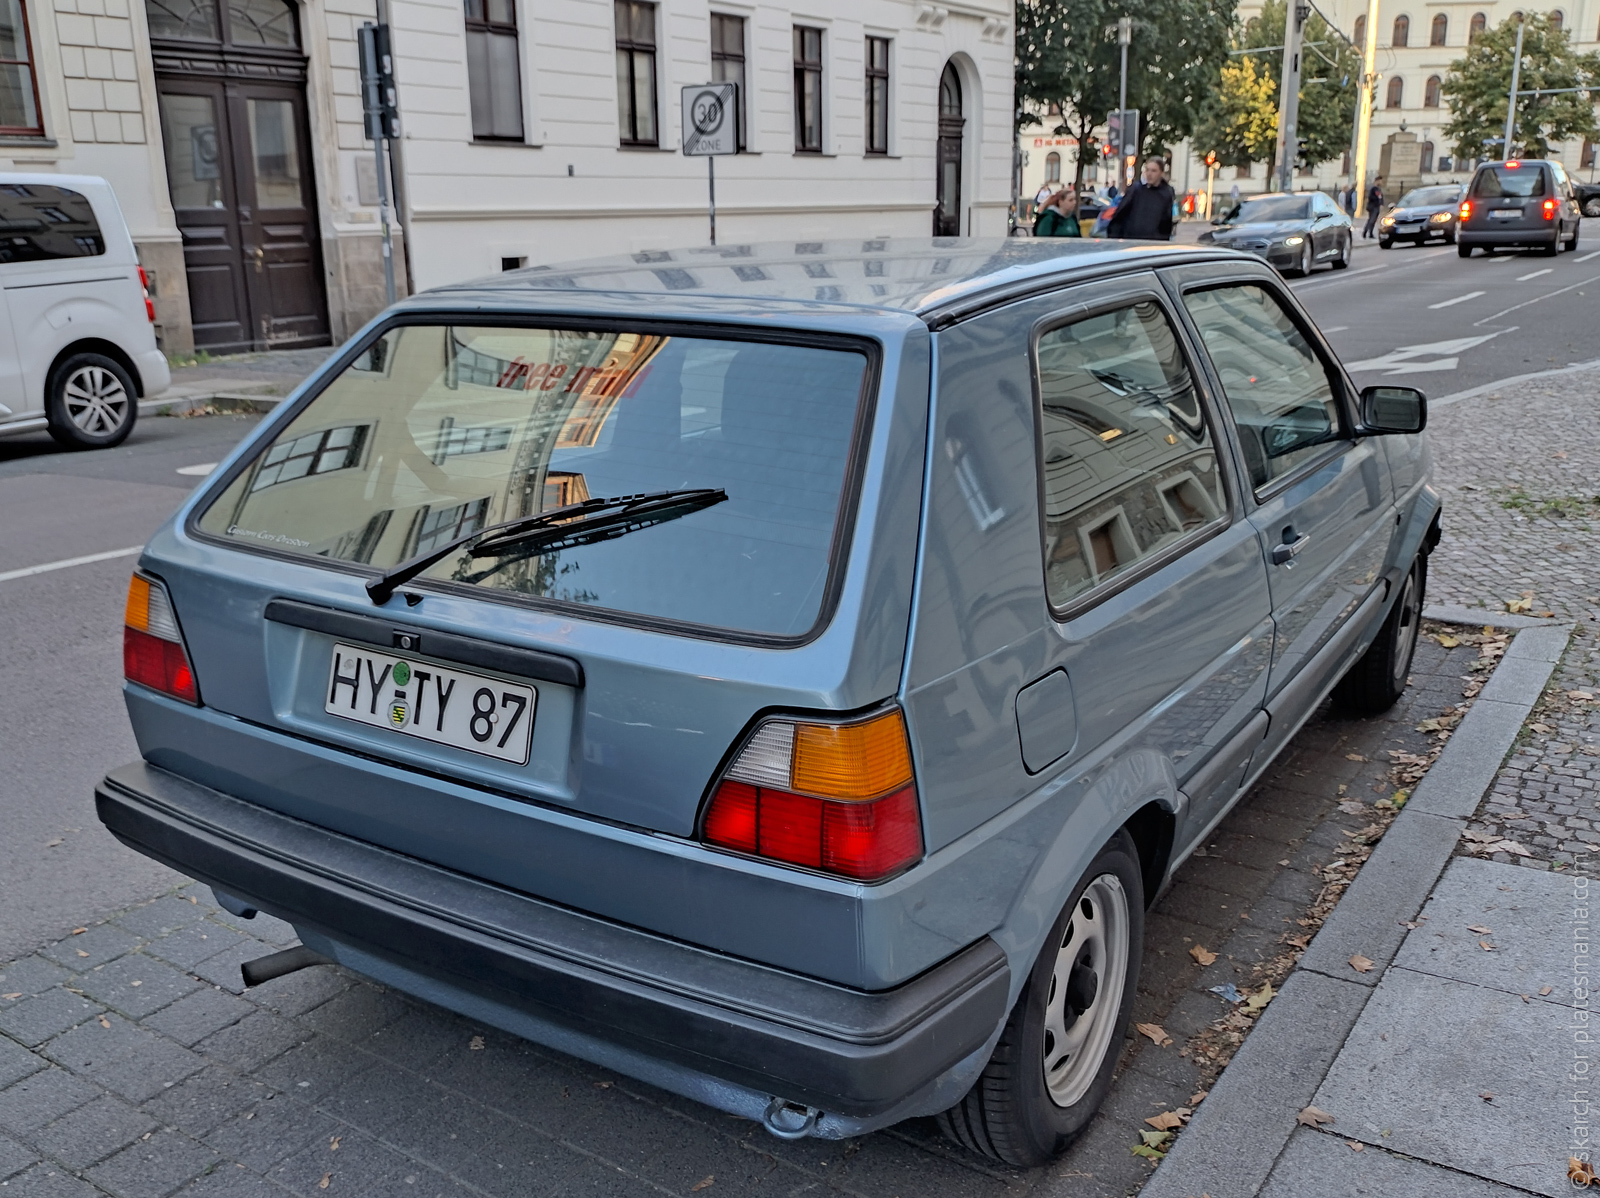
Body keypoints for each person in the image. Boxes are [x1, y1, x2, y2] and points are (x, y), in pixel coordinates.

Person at [1106, 157, 1177, 240]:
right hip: (1131, 240)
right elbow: (1120, 213)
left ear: (1161, 173)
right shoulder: (1136, 190)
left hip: (1153, 242)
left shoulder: (1166, 193)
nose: (1149, 174)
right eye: (1147, 170)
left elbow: (1166, 221)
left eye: (1153, 171)